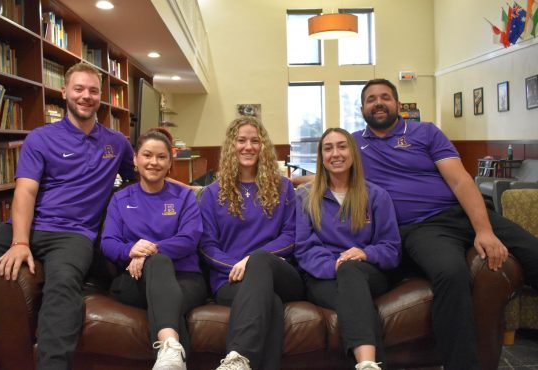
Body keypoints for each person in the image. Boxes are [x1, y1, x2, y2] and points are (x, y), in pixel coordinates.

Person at [0, 62, 135, 370]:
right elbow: (26, 192)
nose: (86, 96)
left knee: (63, 286)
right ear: (64, 92)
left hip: (74, 234)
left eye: (93, 90)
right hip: (25, 226)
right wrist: (19, 241)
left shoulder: (116, 143)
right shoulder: (41, 138)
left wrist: (186, 191)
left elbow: (144, 177)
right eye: (79, 89)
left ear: (101, 97)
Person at [352, 78, 538, 370]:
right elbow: (326, 179)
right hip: (421, 227)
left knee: (532, 250)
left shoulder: (425, 132)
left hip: (460, 212)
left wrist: (484, 230)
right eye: (371, 99)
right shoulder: (353, 144)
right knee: (451, 273)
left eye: (385, 97)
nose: (378, 103)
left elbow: (460, 180)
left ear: (398, 105)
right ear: (362, 107)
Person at [199, 116, 304, 370]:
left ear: (263, 147)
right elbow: (206, 246)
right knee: (272, 305)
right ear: (231, 146)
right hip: (230, 279)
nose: (248, 147)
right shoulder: (212, 193)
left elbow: (291, 236)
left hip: (279, 273)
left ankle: (238, 357)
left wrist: (253, 260)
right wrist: (239, 266)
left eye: (255, 141)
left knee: (259, 260)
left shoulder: (284, 188)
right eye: (241, 140)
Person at [100, 131, 208, 370]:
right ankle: (170, 346)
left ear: (170, 163)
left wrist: (147, 252)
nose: (153, 162)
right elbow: (108, 242)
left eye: (161, 157)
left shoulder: (184, 197)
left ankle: (169, 352)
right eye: (147, 155)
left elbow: (189, 239)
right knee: (164, 289)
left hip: (186, 278)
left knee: (161, 276)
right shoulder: (120, 199)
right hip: (134, 280)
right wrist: (130, 250)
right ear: (136, 159)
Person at [294, 128, 400, 370]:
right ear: (321, 157)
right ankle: (368, 365)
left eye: (342, 146)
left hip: (368, 272)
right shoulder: (305, 196)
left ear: (353, 152)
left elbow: (391, 248)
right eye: (328, 148)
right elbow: (304, 247)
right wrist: (335, 266)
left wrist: (366, 253)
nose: (336, 153)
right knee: (356, 305)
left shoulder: (376, 195)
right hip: (323, 276)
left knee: (352, 273)